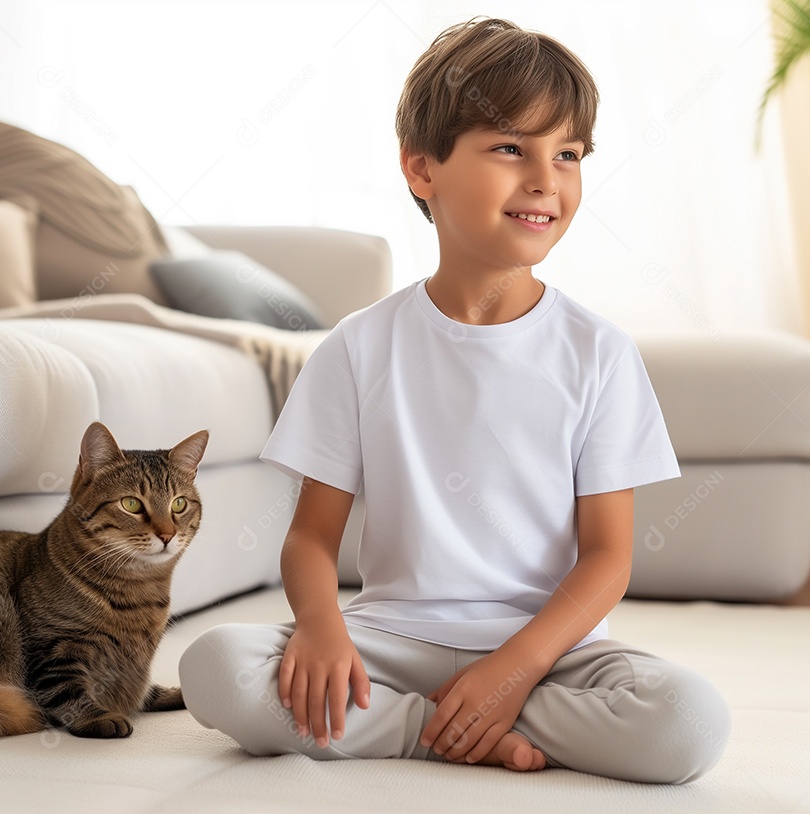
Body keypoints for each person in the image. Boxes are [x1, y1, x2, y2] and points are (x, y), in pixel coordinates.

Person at [180, 17, 730, 783]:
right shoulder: (358, 346)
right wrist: (320, 629)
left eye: (567, 154)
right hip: (389, 643)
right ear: (422, 170)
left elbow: (608, 556)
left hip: (548, 651)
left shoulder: (599, 354)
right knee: (215, 665)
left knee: (689, 724)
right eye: (511, 148)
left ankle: (460, 716)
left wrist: (513, 673)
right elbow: (310, 539)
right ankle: (441, 727)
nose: (546, 179)